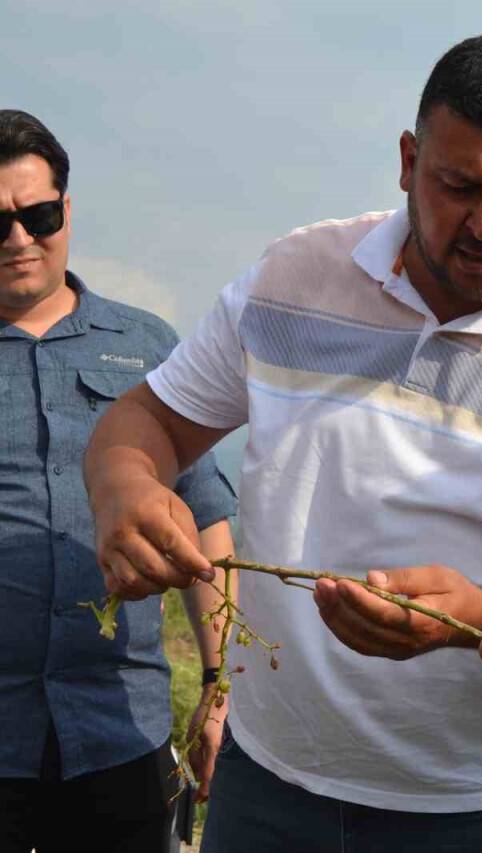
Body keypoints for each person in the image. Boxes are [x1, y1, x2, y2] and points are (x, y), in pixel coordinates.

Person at [83, 35, 482, 852]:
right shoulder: (293, 281)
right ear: (408, 160)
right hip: (270, 781)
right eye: (458, 184)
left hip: (481, 806)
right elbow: (143, 422)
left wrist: (481, 616)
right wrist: (127, 486)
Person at [0, 110, 237, 853]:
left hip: (118, 731)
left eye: (37, 214)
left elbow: (206, 525)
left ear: (66, 210)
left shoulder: (145, 346)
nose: (17, 239)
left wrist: (219, 687)